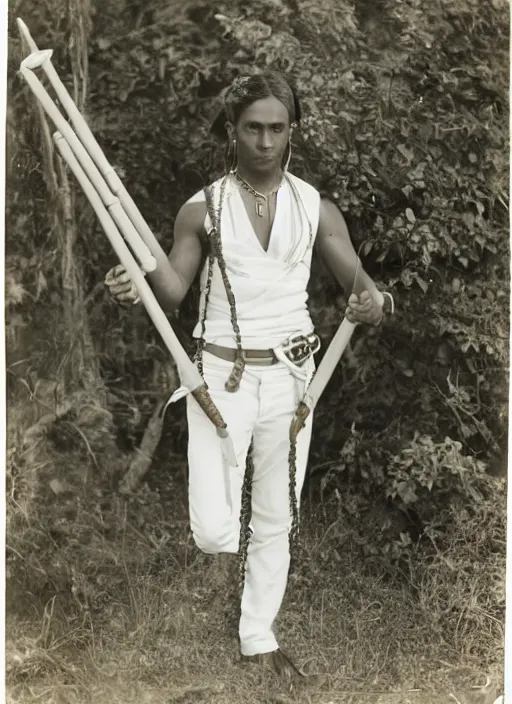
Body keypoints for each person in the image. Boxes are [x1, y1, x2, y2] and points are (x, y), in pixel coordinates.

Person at [105, 72, 394, 678]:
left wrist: (375, 303)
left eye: (277, 129)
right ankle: (234, 591)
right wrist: (134, 281)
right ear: (231, 133)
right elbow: (173, 289)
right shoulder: (201, 208)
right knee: (214, 529)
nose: (265, 141)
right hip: (219, 378)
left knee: (275, 517)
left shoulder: (315, 207)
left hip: (293, 380)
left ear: (291, 132)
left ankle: (257, 635)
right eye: (253, 129)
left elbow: (364, 291)